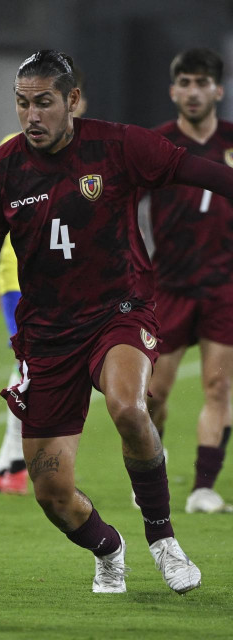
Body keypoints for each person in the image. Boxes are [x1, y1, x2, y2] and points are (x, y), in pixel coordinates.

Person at [0, 49, 233, 595]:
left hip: (119, 312)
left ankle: (163, 538)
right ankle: (108, 547)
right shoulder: (0, 169)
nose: (31, 116)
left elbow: (200, 171)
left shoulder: (118, 145)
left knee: (128, 406)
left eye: (44, 103)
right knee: (51, 491)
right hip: (47, 335)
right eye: (22, 103)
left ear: (72, 100)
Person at [0, 76, 88, 496]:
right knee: (30, 364)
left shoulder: (87, 153)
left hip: (65, 279)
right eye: (29, 103)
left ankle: (15, 463)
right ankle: (11, 463)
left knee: (47, 366)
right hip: (19, 276)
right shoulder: (12, 150)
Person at [142, 48, 233, 514]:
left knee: (218, 388)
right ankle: (152, 468)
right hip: (169, 286)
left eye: (202, 83)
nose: (193, 92)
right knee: (151, 395)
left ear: (218, 90)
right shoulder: (155, 145)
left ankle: (203, 488)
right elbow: (121, 203)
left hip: (224, 286)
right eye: (185, 83)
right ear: (172, 90)